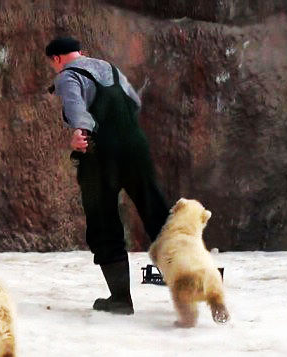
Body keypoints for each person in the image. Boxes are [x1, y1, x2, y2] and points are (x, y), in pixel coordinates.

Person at [45, 37, 170, 315]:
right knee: (156, 211)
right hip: (135, 147)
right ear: (81, 52)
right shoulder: (109, 68)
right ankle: (192, 277)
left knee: (103, 221)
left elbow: (77, 108)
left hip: (100, 154)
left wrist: (80, 132)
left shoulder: (68, 75)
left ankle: (120, 299)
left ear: (56, 59)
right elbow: (134, 102)